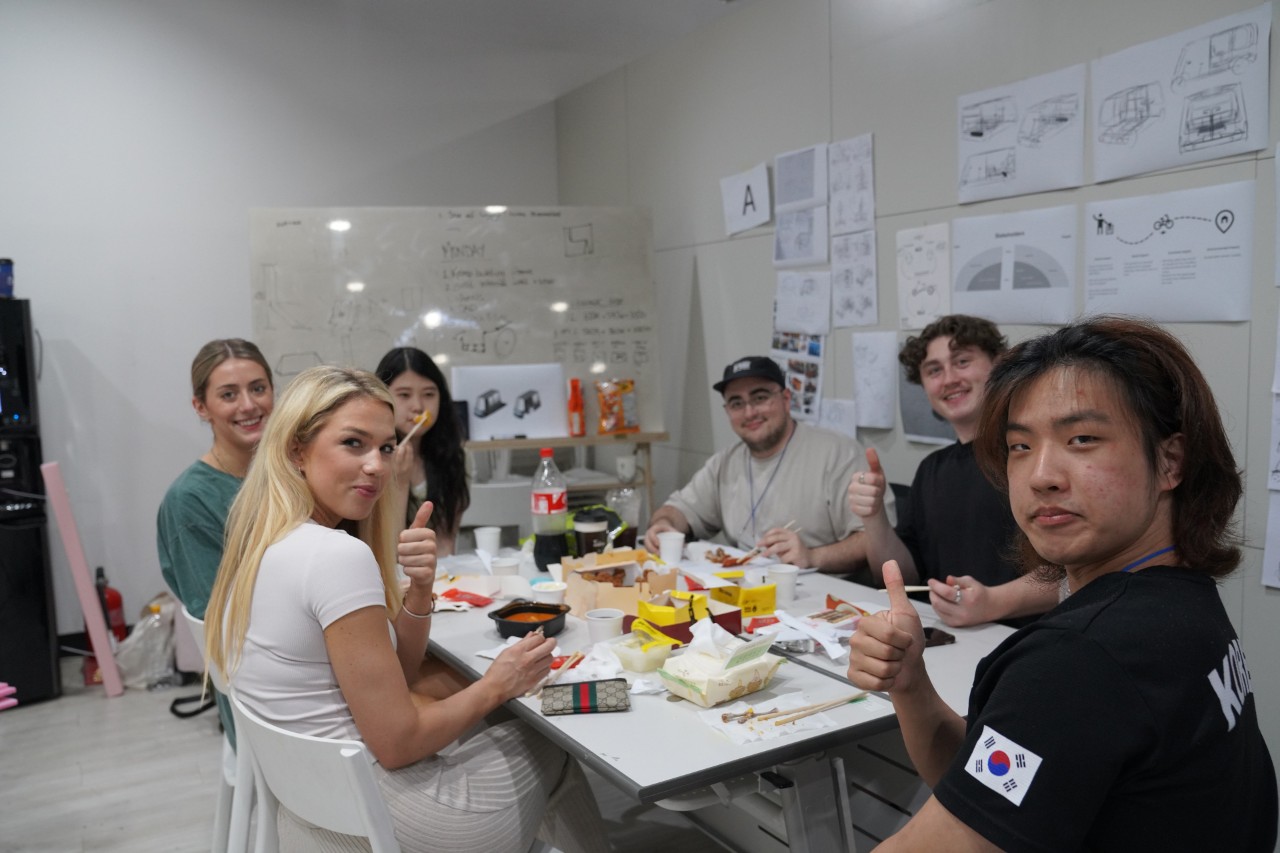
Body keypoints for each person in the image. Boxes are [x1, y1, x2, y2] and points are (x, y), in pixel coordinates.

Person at [847, 317, 1277, 851]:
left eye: (1082, 439)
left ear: (1170, 461)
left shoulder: (1080, 662)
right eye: (1020, 447)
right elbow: (995, 793)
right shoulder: (1180, 599)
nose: (1041, 475)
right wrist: (910, 684)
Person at [204, 365, 608, 853]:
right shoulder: (335, 556)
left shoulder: (259, 540)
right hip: (386, 819)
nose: (377, 465)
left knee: (492, 712)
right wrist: (497, 684)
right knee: (549, 739)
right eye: (353, 443)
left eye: (386, 447)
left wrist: (419, 589)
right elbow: (397, 744)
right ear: (296, 449)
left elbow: (398, 672)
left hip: (314, 809)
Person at [846, 315, 1056, 626]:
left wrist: (994, 603)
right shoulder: (932, 469)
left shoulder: (1035, 453)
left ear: (998, 364)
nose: (948, 379)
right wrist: (873, 516)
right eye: (934, 371)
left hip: (1029, 638)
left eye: (962, 361)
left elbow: (1082, 569)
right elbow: (900, 578)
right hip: (950, 639)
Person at [644, 356, 885, 571]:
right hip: (749, 593)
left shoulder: (838, 453)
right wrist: (663, 525)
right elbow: (678, 510)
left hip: (824, 597)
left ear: (786, 399)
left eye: (760, 398)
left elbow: (873, 539)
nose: (749, 413)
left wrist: (812, 556)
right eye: (737, 403)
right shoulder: (726, 462)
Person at [157, 338, 274, 744]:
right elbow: (223, 628)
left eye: (258, 388)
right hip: (263, 693)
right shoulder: (190, 501)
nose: (248, 405)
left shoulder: (290, 473)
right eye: (229, 394)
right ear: (201, 407)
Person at [375, 347, 470, 557]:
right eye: (404, 395)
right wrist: (399, 481)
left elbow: (446, 541)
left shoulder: (452, 456)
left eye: (428, 394)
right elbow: (390, 552)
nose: (418, 406)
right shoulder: (372, 459)